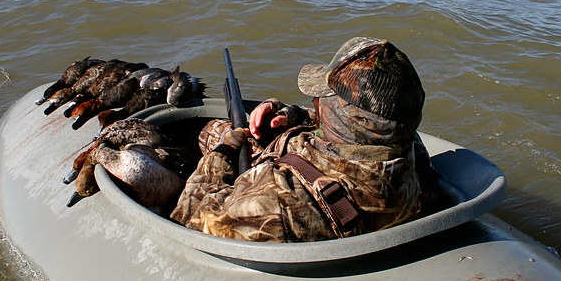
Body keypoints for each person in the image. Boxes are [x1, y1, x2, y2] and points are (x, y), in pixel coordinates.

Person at [171, 37, 445, 242]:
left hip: (259, 193)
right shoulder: (409, 149)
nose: (314, 101)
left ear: (342, 114)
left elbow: (192, 214)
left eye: (321, 98)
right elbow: (363, 127)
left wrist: (222, 152)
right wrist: (290, 115)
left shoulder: (279, 199)